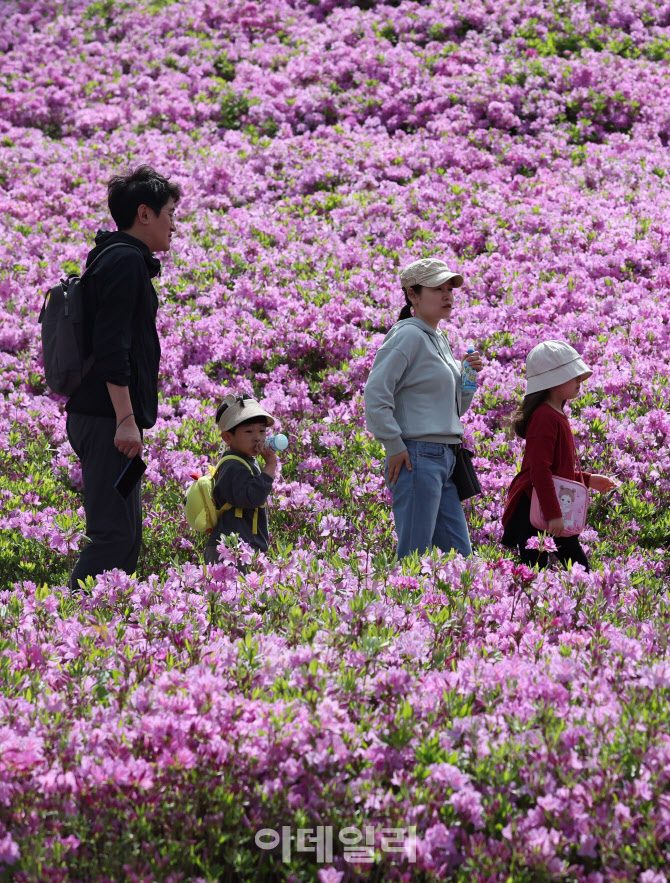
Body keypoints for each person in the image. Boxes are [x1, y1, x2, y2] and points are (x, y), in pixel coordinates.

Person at [66, 165, 181, 588]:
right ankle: (71, 627)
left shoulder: (114, 256)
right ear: (145, 213)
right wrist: (125, 420)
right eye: (171, 212)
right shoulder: (124, 261)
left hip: (107, 420)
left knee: (127, 537)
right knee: (112, 536)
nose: (175, 224)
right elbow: (113, 347)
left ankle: (103, 630)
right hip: (108, 422)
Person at [364, 258, 484, 560]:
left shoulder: (439, 339)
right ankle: (397, 607)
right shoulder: (408, 335)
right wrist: (393, 443)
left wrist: (466, 378)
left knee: (460, 560)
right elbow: (376, 393)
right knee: (413, 557)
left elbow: (456, 409)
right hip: (417, 457)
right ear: (412, 295)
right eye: (437, 289)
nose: (447, 296)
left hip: (445, 457)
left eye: (449, 289)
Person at [501, 340, 616, 571]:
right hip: (534, 507)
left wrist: (586, 479)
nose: (580, 380)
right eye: (574, 375)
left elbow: (555, 471)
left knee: (570, 566)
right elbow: (540, 471)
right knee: (537, 572)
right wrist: (554, 515)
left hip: (546, 503)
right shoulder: (545, 417)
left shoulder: (554, 414)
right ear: (552, 381)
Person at [204, 394, 278, 565]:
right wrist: (270, 465)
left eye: (262, 430)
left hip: (241, 548)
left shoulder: (245, 461)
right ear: (227, 437)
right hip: (232, 550)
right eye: (249, 431)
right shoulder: (233, 465)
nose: (258, 437)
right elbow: (252, 497)